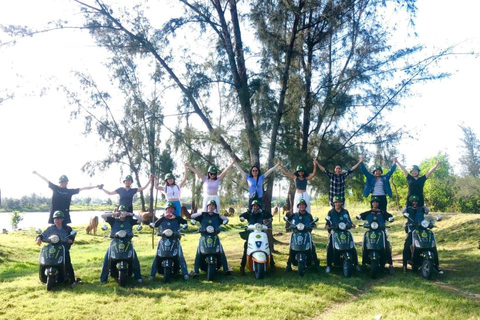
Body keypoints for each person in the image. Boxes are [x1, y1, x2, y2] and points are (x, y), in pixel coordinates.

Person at [33, 171, 99, 225]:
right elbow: (46, 180)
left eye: (65, 182)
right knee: (54, 228)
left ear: (67, 182)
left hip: (64, 212)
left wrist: (95, 186)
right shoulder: (55, 188)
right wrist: (37, 173)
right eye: (62, 182)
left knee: (64, 228)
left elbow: (83, 188)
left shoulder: (69, 191)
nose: (64, 183)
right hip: (55, 211)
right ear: (60, 182)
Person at [100, 205, 144, 283]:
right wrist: (114, 213)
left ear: (127, 212)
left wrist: (132, 214)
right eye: (121, 211)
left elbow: (141, 219)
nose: (122, 213)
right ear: (119, 211)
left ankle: (138, 277)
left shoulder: (130, 220)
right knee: (107, 259)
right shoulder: (113, 220)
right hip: (114, 242)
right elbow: (102, 216)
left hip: (127, 242)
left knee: (134, 258)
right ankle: (103, 279)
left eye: (125, 211)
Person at [36, 210, 80, 287]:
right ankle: (43, 276)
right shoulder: (50, 229)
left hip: (63, 249)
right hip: (51, 248)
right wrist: (39, 238)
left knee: (67, 263)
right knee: (45, 260)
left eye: (60, 219)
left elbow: (71, 236)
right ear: (53, 220)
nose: (58, 221)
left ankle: (72, 281)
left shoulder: (67, 228)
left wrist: (70, 240)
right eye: (56, 219)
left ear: (62, 219)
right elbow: (43, 235)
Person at [402, 195, 443, 274]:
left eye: (416, 201)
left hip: (422, 229)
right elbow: (403, 212)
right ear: (410, 202)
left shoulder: (422, 208)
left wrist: (431, 222)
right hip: (412, 230)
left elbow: (428, 214)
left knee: (433, 246)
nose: (414, 203)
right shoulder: (407, 209)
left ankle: (437, 265)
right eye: (413, 201)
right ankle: (404, 266)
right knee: (407, 246)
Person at [149, 202, 190, 280]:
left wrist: (179, 220)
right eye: (168, 208)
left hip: (175, 239)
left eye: (172, 209)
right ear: (166, 209)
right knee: (157, 255)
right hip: (163, 239)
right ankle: (152, 274)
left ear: (174, 210)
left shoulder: (177, 218)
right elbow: (155, 224)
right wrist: (152, 225)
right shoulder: (162, 218)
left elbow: (185, 223)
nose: (170, 210)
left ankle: (185, 273)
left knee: (180, 255)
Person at [191, 200, 231, 275]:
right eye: (209, 205)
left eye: (213, 205)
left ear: (215, 207)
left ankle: (226, 269)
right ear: (207, 207)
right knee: (198, 252)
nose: (211, 207)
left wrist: (220, 216)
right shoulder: (203, 215)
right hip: (204, 236)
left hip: (215, 236)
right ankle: (196, 271)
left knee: (221, 251)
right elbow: (192, 217)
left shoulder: (217, 216)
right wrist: (200, 213)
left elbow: (226, 219)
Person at [356, 196, 395, 272]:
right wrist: (359, 216)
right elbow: (361, 215)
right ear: (371, 203)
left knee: (386, 246)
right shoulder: (368, 212)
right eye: (373, 202)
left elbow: (389, 217)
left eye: (376, 202)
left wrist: (390, 218)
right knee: (365, 246)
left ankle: (390, 264)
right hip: (370, 232)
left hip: (381, 232)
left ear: (379, 203)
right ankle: (364, 263)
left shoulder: (382, 212)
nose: (375, 203)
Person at [238, 199, 275, 275]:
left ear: (259, 207)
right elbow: (241, 216)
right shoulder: (249, 214)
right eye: (254, 206)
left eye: (257, 206)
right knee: (246, 249)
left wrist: (264, 212)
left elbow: (270, 216)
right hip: (251, 234)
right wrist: (243, 217)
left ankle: (272, 265)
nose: (255, 207)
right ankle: (242, 267)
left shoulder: (262, 213)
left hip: (261, 234)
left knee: (267, 247)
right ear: (252, 207)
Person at [324, 196, 359, 273]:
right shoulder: (331, 212)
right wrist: (327, 226)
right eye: (336, 202)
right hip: (335, 232)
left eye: (339, 202)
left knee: (352, 246)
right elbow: (327, 223)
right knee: (330, 246)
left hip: (345, 231)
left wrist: (351, 225)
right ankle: (328, 265)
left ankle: (356, 264)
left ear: (342, 203)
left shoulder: (345, 212)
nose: (337, 204)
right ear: (333, 203)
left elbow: (349, 221)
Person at [284, 199, 320, 272]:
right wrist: (289, 224)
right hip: (296, 234)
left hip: (306, 234)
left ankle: (316, 264)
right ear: (298, 206)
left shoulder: (309, 215)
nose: (301, 206)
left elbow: (313, 224)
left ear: (305, 206)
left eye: (303, 205)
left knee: (312, 247)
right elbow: (288, 220)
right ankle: (288, 265)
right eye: (300, 205)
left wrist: (312, 226)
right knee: (291, 248)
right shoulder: (294, 215)